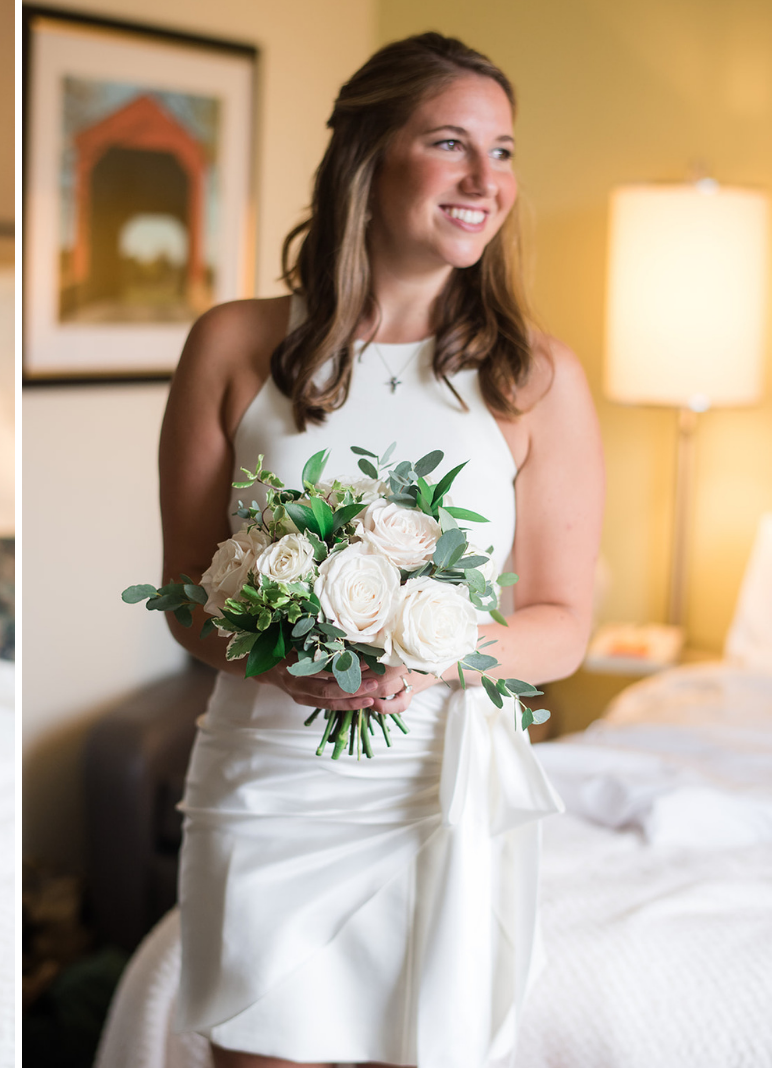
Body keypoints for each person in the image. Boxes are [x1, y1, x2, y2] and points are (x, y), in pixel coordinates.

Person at [157, 33, 602, 1068]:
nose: (486, 181)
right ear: (368, 154)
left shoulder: (535, 377)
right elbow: (186, 597)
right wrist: (286, 657)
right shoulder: (231, 345)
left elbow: (565, 627)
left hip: (438, 792)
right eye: (451, 143)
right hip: (271, 789)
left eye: (503, 151)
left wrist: (428, 649)